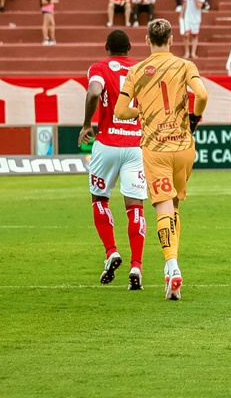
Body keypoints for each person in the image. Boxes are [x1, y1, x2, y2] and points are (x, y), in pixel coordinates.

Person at [114, 18, 208, 301]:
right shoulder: (185, 65)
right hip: (183, 146)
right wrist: (194, 117)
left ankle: (172, 265)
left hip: (155, 147)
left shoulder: (136, 70)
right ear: (171, 40)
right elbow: (201, 94)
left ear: (146, 41)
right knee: (175, 204)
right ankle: (171, 271)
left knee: (162, 205)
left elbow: (120, 111)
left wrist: (141, 112)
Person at [79, 30, 146, 290]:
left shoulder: (99, 67)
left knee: (100, 198)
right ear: (130, 47)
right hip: (135, 146)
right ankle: (136, 265)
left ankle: (111, 252)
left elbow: (94, 92)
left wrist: (86, 124)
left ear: (106, 47)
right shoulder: (142, 70)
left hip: (106, 143)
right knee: (135, 206)